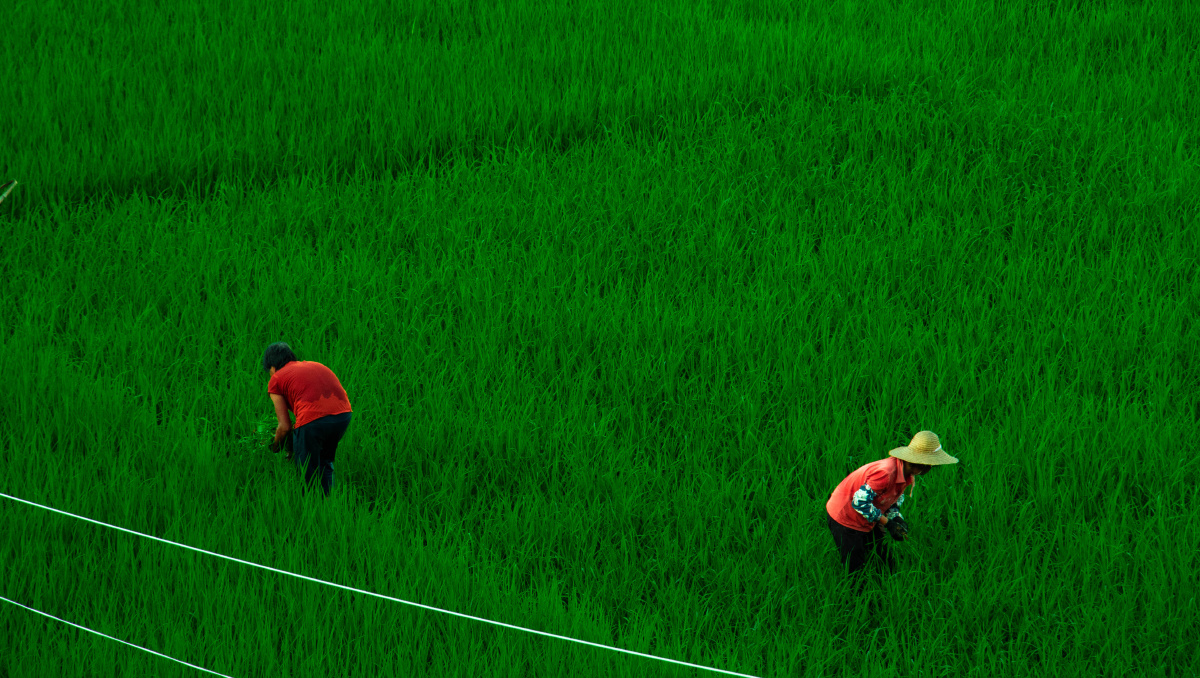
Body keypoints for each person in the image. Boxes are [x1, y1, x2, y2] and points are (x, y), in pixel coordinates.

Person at [825, 430, 958, 590]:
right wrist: (888, 523)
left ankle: (887, 591)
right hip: (845, 517)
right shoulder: (886, 473)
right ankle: (858, 604)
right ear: (921, 464)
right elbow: (859, 503)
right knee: (856, 568)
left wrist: (897, 518)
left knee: (884, 560)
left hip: (870, 514)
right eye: (930, 465)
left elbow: (891, 499)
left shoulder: (906, 474)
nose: (930, 468)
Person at [262, 342, 353, 497]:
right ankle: (329, 504)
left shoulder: (276, 379)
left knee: (307, 474)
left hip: (313, 421)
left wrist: (274, 447)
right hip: (343, 416)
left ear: (272, 367)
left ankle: (311, 507)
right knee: (325, 462)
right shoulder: (314, 365)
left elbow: (284, 427)